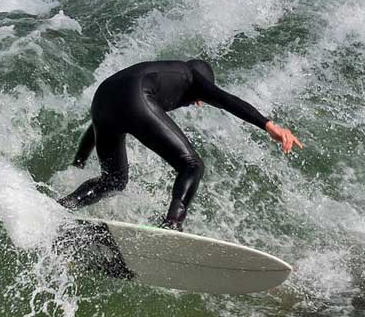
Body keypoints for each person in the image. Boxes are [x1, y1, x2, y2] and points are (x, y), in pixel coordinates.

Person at [57, 59, 303, 231]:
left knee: (112, 181)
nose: (196, 103)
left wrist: (79, 160)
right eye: (200, 97)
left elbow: (98, 125)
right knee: (192, 165)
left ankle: (61, 209)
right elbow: (226, 100)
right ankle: (172, 224)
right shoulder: (191, 75)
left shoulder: (163, 75)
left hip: (103, 99)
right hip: (134, 97)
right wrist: (269, 126)